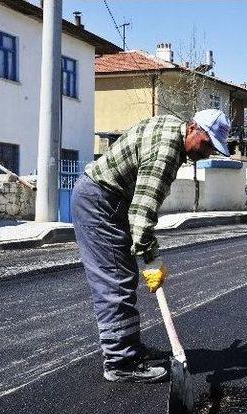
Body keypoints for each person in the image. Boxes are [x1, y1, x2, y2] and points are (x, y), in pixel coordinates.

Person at [71, 109, 231, 383]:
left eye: (213, 149)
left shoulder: (171, 126)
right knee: (116, 281)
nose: (207, 153)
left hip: (108, 198)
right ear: (192, 128)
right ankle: (120, 361)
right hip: (100, 202)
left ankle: (130, 349)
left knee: (123, 277)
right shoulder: (167, 153)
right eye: (206, 144)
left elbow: (138, 206)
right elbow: (142, 215)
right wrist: (151, 258)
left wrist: (148, 253)